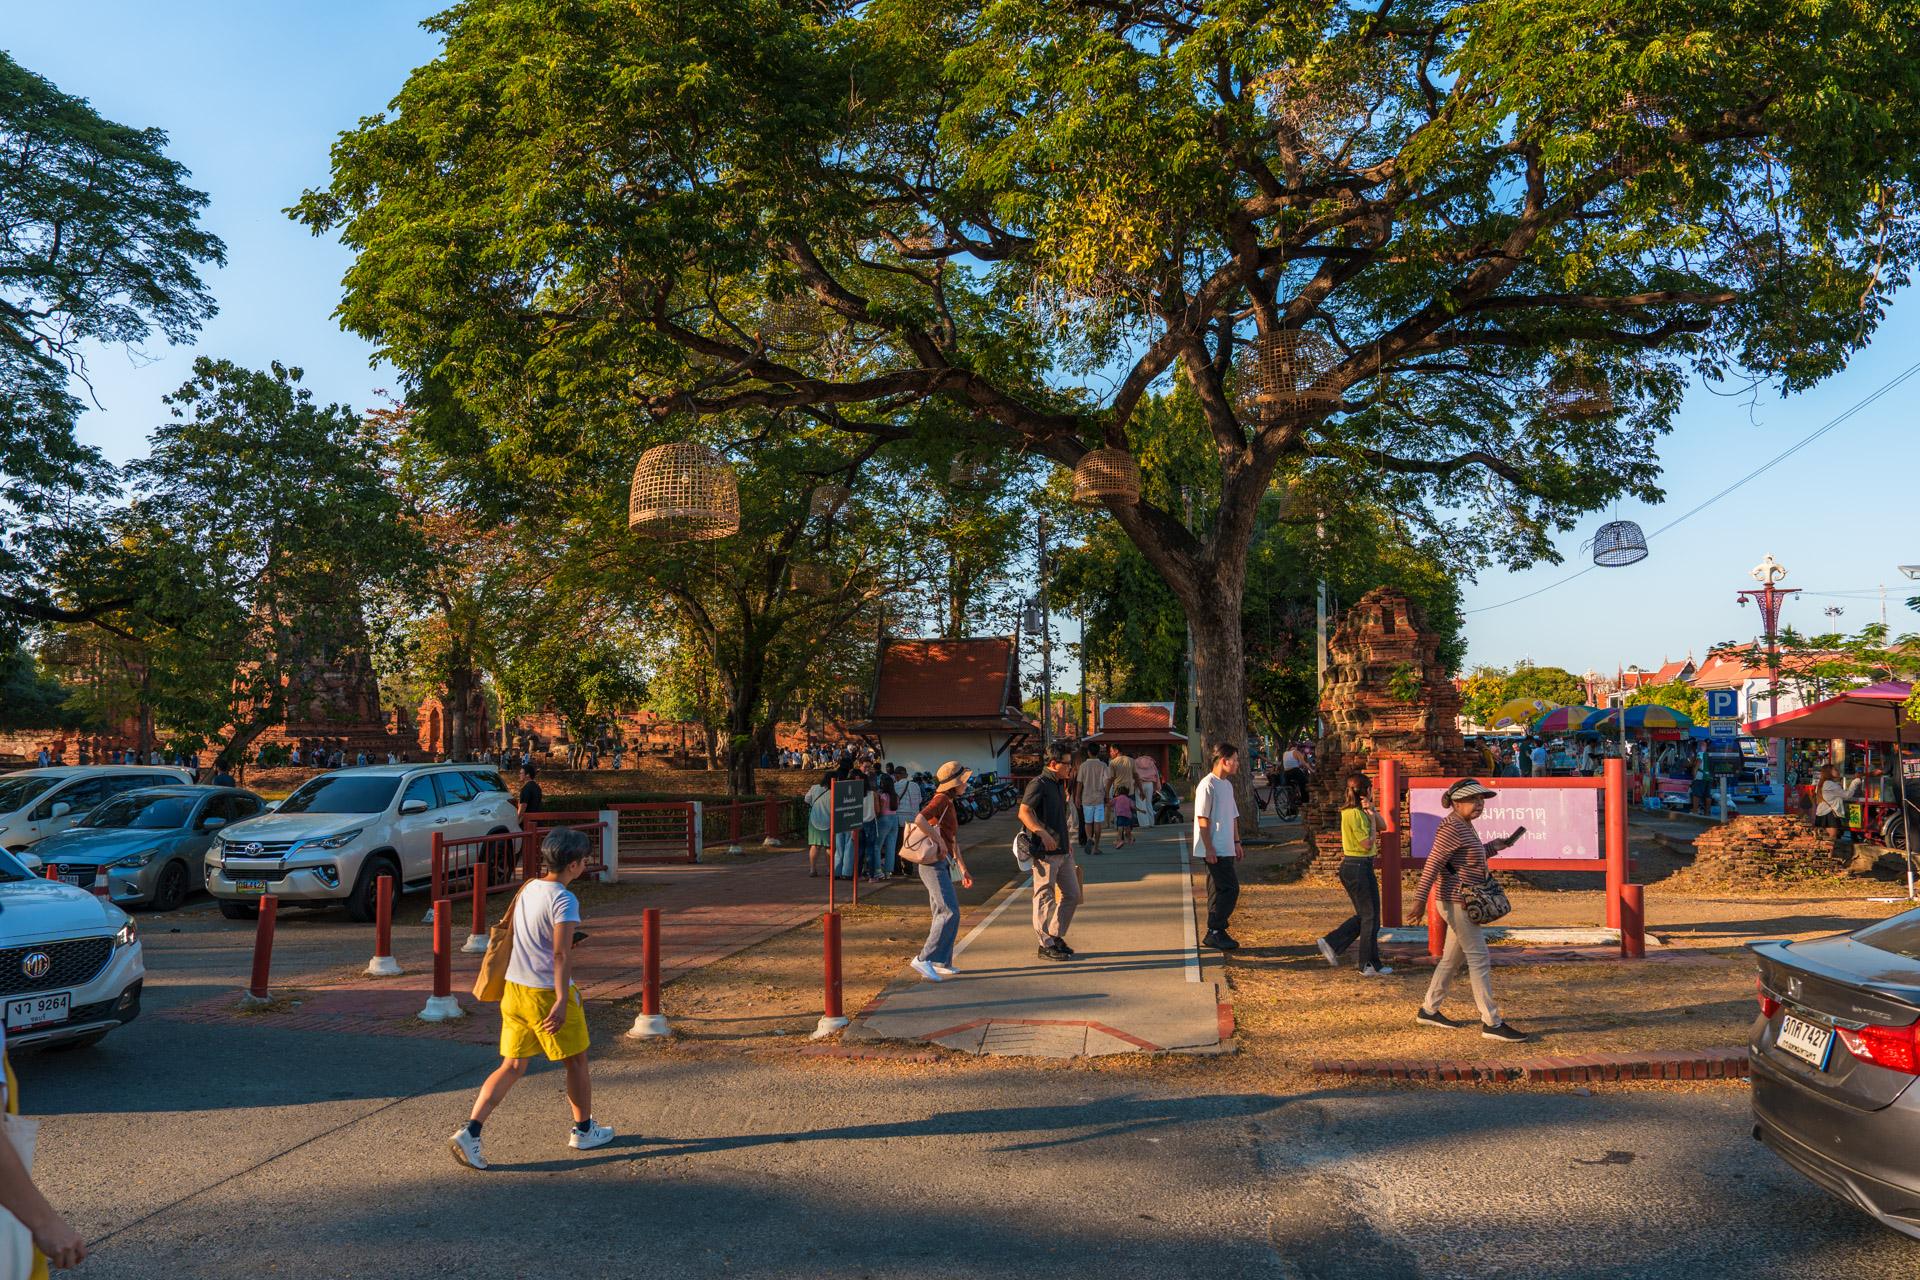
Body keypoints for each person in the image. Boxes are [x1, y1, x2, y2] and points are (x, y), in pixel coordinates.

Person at [449, 829, 613, 1170]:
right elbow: (559, 955)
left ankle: (471, 1130)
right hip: (546, 992)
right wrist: (560, 1000)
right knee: (577, 1061)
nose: (585, 864)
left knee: (511, 1065)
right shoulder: (565, 900)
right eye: (585, 860)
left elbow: (531, 937)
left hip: (515, 989)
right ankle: (583, 1129)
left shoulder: (530, 888)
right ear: (573, 864)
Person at [1413, 779, 1528, 1041]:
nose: (1479, 804)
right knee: (1479, 958)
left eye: (1481, 800)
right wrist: (1419, 900)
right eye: (1472, 800)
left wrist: (1492, 847)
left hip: (1461, 900)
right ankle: (1492, 1022)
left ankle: (1429, 1009)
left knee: (1452, 959)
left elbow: (1465, 859)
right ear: (1455, 803)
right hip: (1457, 901)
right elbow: (1433, 864)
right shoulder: (1451, 827)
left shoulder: (1464, 825)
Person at [1316, 773, 1390, 976]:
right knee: (1370, 916)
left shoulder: (1363, 811)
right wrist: (1371, 822)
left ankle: (1339, 946)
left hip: (1361, 866)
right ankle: (1365, 964)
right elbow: (1367, 842)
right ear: (1366, 791)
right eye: (1371, 789)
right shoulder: (1352, 814)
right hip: (1356, 866)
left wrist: (1372, 811)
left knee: (1370, 916)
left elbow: (1384, 826)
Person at [909, 761, 975, 982]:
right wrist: (937, 839)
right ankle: (924, 958)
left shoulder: (948, 801)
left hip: (941, 862)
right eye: (963, 781)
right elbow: (919, 819)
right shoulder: (940, 800)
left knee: (943, 912)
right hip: (931, 864)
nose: (966, 784)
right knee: (949, 911)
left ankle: (941, 961)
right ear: (953, 785)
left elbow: (952, 839)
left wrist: (962, 867)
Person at [1019, 742, 1082, 961]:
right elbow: (1024, 812)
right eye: (1067, 764)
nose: (1070, 768)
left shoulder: (1058, 783)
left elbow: (1059, 817)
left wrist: (1067, 842)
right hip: (1045, 853)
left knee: (1072, 895)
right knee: (1044, 897)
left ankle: (1055, 935)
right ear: (1054, 764)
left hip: (1063, 850)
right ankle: (1044, 943)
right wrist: (1042, 833)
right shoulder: (1039, 784)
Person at [1192, 742, 1244, 951]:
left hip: (1226, 846)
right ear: (1224, 761)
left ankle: (1213, 933)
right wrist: (1209, 847)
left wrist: (1237, 841)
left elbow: (1233, 816)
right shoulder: (1207, 785)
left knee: (1217, 890)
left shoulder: (1227, 785)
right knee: (1231, 889)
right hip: (1214, 847)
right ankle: (1216, 927)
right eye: (1236, 760)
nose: (1238, 764)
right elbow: (1202, 818)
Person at [1075, 743, 1112, 857]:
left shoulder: (1083, 766)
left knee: (1088, 822)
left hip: (1086, 797)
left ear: (1088, 752)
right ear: (1098, 752)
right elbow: (1107, 782)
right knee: (1098, 823)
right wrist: (1106, 796)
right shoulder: (1103, 765)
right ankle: (1096, 847)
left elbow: (1080, 783)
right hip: (1099, 797)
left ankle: (1089, 838)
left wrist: (1077, 796)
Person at [804, 771, 833, 877]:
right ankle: (830, 870)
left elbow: (806, 800)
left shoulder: (815, 787)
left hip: (814, 819)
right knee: (829, 846)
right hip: (829, 821)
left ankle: (812, 869)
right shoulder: (835, 790)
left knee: (815, 845)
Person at [1813, 763, 1847, 853]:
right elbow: (1847, 795)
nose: (1837, 771)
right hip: (1829, 814)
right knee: (1831, 839)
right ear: (1829, 772)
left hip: (1820, 813)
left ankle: (1821, 857)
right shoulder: (1830, 784)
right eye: (1835, 769)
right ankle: (1829, 858)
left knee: (1822, 839)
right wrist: (1856, 781)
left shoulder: (1822, 783)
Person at [1133, 752, 1161, 827]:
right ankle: (1151, 822)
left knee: (1140, 803)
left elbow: (1134, 774)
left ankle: (1144, 823)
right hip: (1150, 784)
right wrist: (1157, 787)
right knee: (1149, 803)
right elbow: (1156, 774)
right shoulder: (1151, 762)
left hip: (1139, 784)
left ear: (1139, 755)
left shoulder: (1135, 762)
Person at [1281, 742, 1309, 814]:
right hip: (1295, 772)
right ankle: (1305, 802)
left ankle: (1291, 809)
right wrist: (1312, 770)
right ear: (1296, 747)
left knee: (1290, 791)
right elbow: (1303, 763)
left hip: (1286, 774)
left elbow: (1291, 764)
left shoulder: (1285, 753)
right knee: (1305, 784)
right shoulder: (1296, 752)